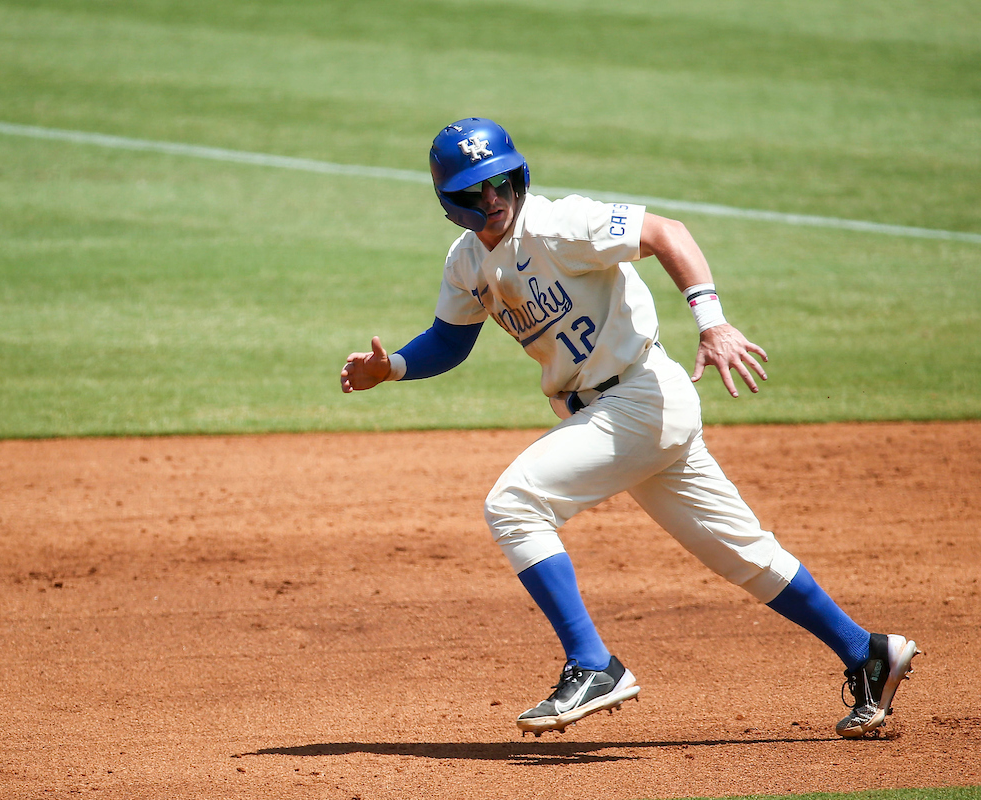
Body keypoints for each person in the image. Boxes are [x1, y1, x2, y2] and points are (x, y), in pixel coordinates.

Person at [339, 117, 919, 738]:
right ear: (450, 203)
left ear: (519, 176)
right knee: (745, 556)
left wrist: (713, 321)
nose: (494, 200)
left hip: (641, 398)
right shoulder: (465, 263)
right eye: (475, 192)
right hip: (621, 413)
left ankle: (594, 665)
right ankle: (867, 653)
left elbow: (666, 232)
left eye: (502, 182)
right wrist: (393, 367)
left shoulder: (560, 224)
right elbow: (450, 341)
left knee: (515, 504)